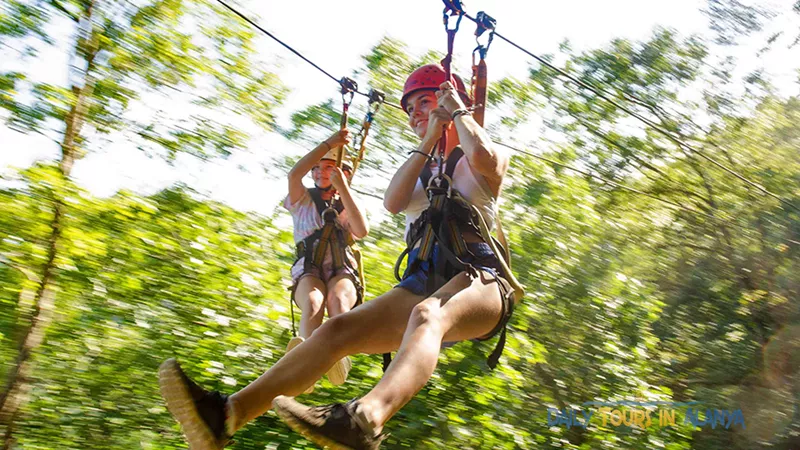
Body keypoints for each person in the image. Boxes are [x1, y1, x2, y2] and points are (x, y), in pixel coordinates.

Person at [158, 64, 519, 450]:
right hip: (422, 281)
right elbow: (393, 202)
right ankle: (226, 415)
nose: (414, 113)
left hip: (480, 281)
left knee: (429, 314)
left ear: (449, 100)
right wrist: (431, 133)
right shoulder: (421, 173)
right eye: (410, 107)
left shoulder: (475, 161)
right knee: (335, 330)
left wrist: (459, 110)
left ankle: (365, 419)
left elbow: (486, 157)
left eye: (424, 102)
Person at [283, 129, 369, 392]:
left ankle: (336, 353)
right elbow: (294, 174)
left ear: (342, 173)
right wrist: (329, 144)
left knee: (338, 301)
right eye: (317, 169)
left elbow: (361, 230)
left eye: (328, 168)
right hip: (310, 270)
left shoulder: (348, 203)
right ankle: (306, 363)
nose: (320, 173)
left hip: (341, 270)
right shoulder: (302, 199)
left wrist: (342, 188)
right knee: (313, 302)